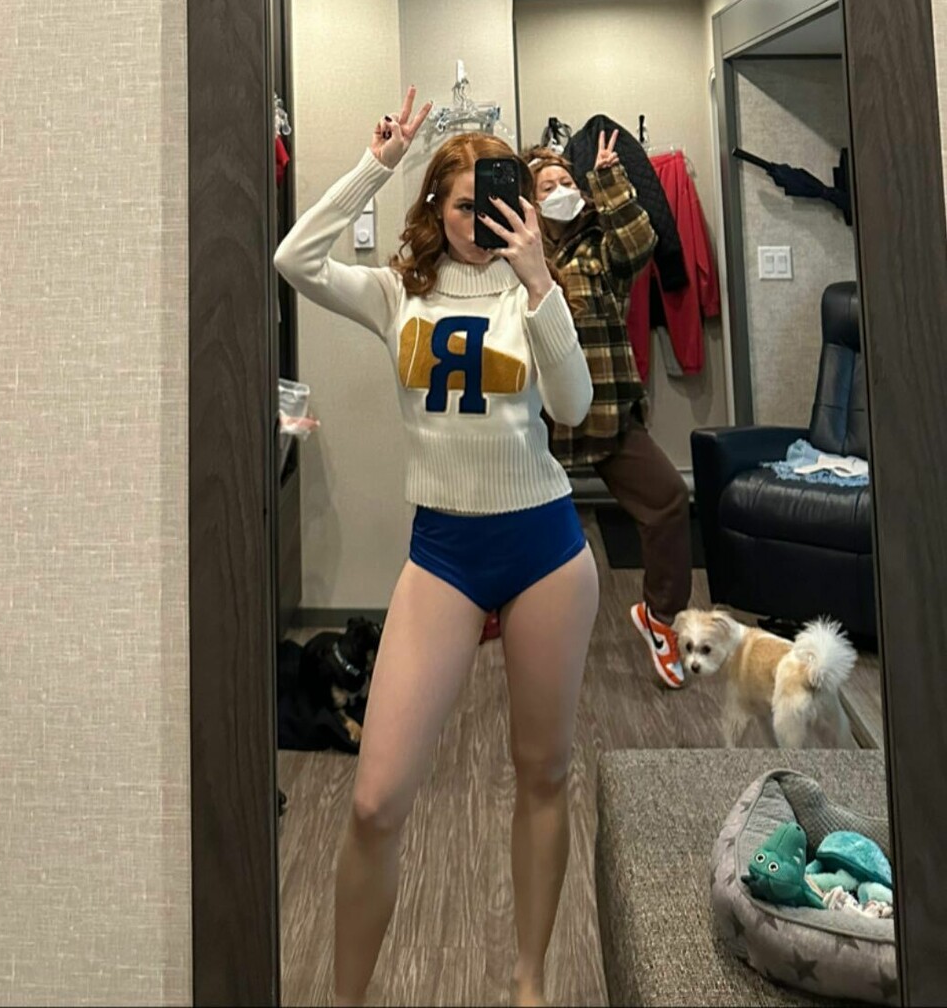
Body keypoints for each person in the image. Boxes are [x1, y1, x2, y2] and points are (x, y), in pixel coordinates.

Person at [275, 89, 598, 1008]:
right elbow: (294, 258)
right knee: (375, 802)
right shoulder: (397, 294)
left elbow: (573, 407)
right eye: (463, 205)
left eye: (497, 203)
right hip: (444, 554)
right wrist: (377, 164)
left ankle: (528, 982)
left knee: (543, 772)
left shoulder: (534, 293)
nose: (480, 220)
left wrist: (538, 281)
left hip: (544, 548)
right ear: (436, 210)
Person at [525, 133, 693, 690]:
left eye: (566, 182)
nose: (559, 191)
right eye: (546, 186)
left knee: (668, 499)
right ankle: (503, 614)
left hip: (606, 411)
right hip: (538, 421)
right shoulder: (519, 255)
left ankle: (661, 618)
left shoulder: (602, 245)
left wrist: (607, 179)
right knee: (514, 519)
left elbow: (641, 243)